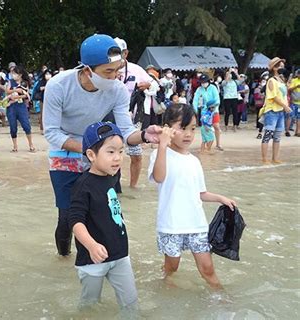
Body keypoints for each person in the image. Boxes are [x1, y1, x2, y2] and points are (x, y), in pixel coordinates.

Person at [43, 34, 161, 256]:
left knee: (101, 212)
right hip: (65, 154)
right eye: (108, 71)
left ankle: (100, 256)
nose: (115, 76)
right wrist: (88, 149)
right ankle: (63, 257)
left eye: (118, 70)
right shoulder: (58, 85)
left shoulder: (117, 90)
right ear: (88, 70)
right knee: (68, 216)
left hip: (97, 153)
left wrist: (145, 135)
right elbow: (51, 132)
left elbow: (127, 132)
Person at [148, 103, 236, 289]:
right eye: (182, 128)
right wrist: (163, 145)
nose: (188, 134)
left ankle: (222, 299)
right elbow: (159, 177)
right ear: (167, 128)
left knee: (208, 269)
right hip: (171, 225)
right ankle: (165, 289)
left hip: (197, 224)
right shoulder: (159, 154)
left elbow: (201, 193)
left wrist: (221, 198)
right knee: (172, 267)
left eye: (192, 129)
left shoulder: (194, 161)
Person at [68, 122, 138, 312]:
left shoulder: (111, 176)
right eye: (111, 152)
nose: (117, 158)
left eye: (121, 151)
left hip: (120, 253)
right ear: (91, 155)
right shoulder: (83, 185)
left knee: (131, 303)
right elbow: (75, 221)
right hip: (93, 259)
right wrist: (91, 245)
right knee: (89, 307)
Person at [114, 37, 152, 189]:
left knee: (136, 154)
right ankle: (113, 186)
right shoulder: (104, 70)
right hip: (110, 119)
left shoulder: (136, 70)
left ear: (126, 53)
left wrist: (148, 85)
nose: (116, 56)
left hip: (133, 120)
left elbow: (155, 85)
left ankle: (133, 186)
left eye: (119, 52)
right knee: (111, 154)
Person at [258, 57, 291, 164]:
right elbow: (273, 97)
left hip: (280, 111)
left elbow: (283, 95)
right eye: (281, 66)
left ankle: (275, 158)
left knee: (277, 137)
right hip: (272, 111)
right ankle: (264, 159)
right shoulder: (271, 81)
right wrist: (285, 106)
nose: (283, 68)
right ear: (275, 68)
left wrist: (285, 106)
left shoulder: (281, 80)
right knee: (267, 135)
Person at [6, 65, 36, 152]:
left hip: (21, 106)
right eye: (13, 73)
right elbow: (7, 91)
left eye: (15, 73)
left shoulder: (24, 83)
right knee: (13, 127)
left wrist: (17, 97)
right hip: (11, 107)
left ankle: (31, 144)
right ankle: (15, 146)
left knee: (26, 125)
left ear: (20, 74)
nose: (13, 75)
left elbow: (26, 95)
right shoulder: (10, 81)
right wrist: (16, 91)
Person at [193, 74, 223, 151]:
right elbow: (195, 100)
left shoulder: (213, 88)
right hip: (204, 112)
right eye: (201, 82)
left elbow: (217, 99)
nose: (203, 83)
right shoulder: (199, 89)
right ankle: (205, 144)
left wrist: (215, 110)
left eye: (204, 82)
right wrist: (195, 110)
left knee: (216, 126)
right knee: (205, 128)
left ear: (208, 81)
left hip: (214, 110)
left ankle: (218, 144)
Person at [221, 68, 242, 132]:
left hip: (234, 98)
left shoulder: (235, 81)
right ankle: (226, 126)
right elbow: (226, 81)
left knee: (235, 113)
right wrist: (229, 72)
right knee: (227, 113)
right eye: (228, 74)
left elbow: (240, 80)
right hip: (227, 98)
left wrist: (236, 73)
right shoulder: (224, 82)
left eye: (230, 74)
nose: (230, 75)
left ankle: (234, 126)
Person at [288, 69, 300, 137]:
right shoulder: (294, 80)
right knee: (291, 116)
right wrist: (296, 87)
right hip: (293, 102)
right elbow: (289, 89)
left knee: (299, 117)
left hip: (299, 103)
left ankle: (298, 131)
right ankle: (287, 130)